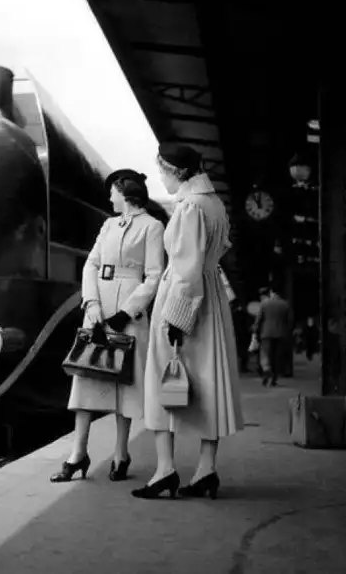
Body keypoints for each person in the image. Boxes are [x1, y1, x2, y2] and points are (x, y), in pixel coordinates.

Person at [133, 143, 244, 500]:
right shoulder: (214, 204)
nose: (161, 178)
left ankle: (165, 471)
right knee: (209, 381)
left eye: (162, 171)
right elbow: (216, 251)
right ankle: (206, 470)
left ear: (178, 172)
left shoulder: (190, 207)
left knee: (162, 379)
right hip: (211, 297)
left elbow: (185, 268)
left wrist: (177, 318)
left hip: (185, 298)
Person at [50, 169, 165, 483]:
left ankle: (121, 454)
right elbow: (91, 263)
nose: (109, 198)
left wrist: (127, 312)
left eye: (112, 192)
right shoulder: (108, 224)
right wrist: (92, 303)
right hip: (98, 310)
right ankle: (77, 454)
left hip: (128, 314)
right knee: (86, 376)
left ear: (124, 192)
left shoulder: (152, 227)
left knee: (124, 384)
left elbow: (155, 275)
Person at [254, 285, 294, 386]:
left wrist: (256, 330)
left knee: (266, 354)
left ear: (271, 292)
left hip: (266, 333)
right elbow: (290, 321)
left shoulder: (265, 304)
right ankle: (274, 378)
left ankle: (266, 370)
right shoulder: (285, 304)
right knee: (276, 357)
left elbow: (259, 320)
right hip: (281, 334)